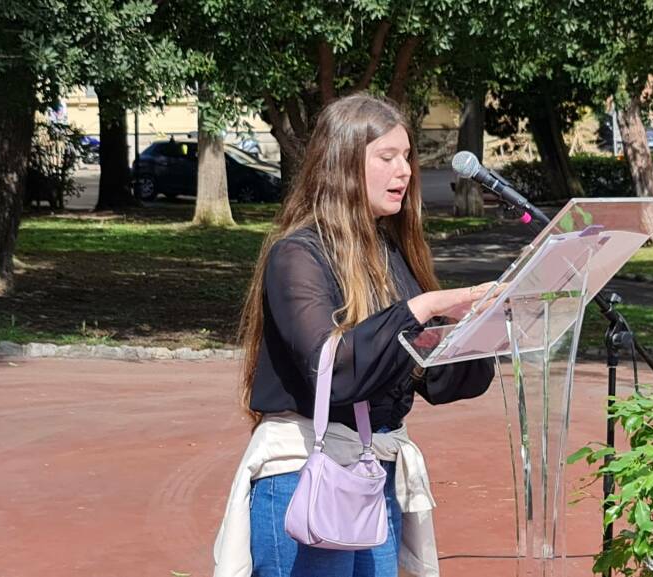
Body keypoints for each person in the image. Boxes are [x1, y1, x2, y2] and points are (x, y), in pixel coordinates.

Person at [212, 93, 497, 577]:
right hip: (306, 476)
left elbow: (432, 379)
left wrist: (479, 329)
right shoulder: (297, 255)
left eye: (406, 156)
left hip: (372, 475)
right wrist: (424, 307)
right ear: (342, 165)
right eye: (387, 157)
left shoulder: (391, 254)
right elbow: (334, 369)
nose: (405, 170)